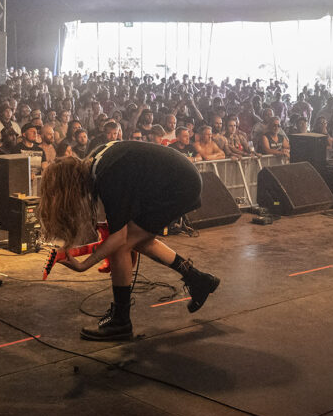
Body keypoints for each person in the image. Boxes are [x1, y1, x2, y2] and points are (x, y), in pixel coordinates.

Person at [38, 142, 220, 341]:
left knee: (122, 246)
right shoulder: (96, 162)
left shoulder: (108, 177)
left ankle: (121, 321)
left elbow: (118, 237)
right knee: (139, 240)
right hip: (179, 179)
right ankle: (199, 279)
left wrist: (84, 265)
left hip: (180, 186)